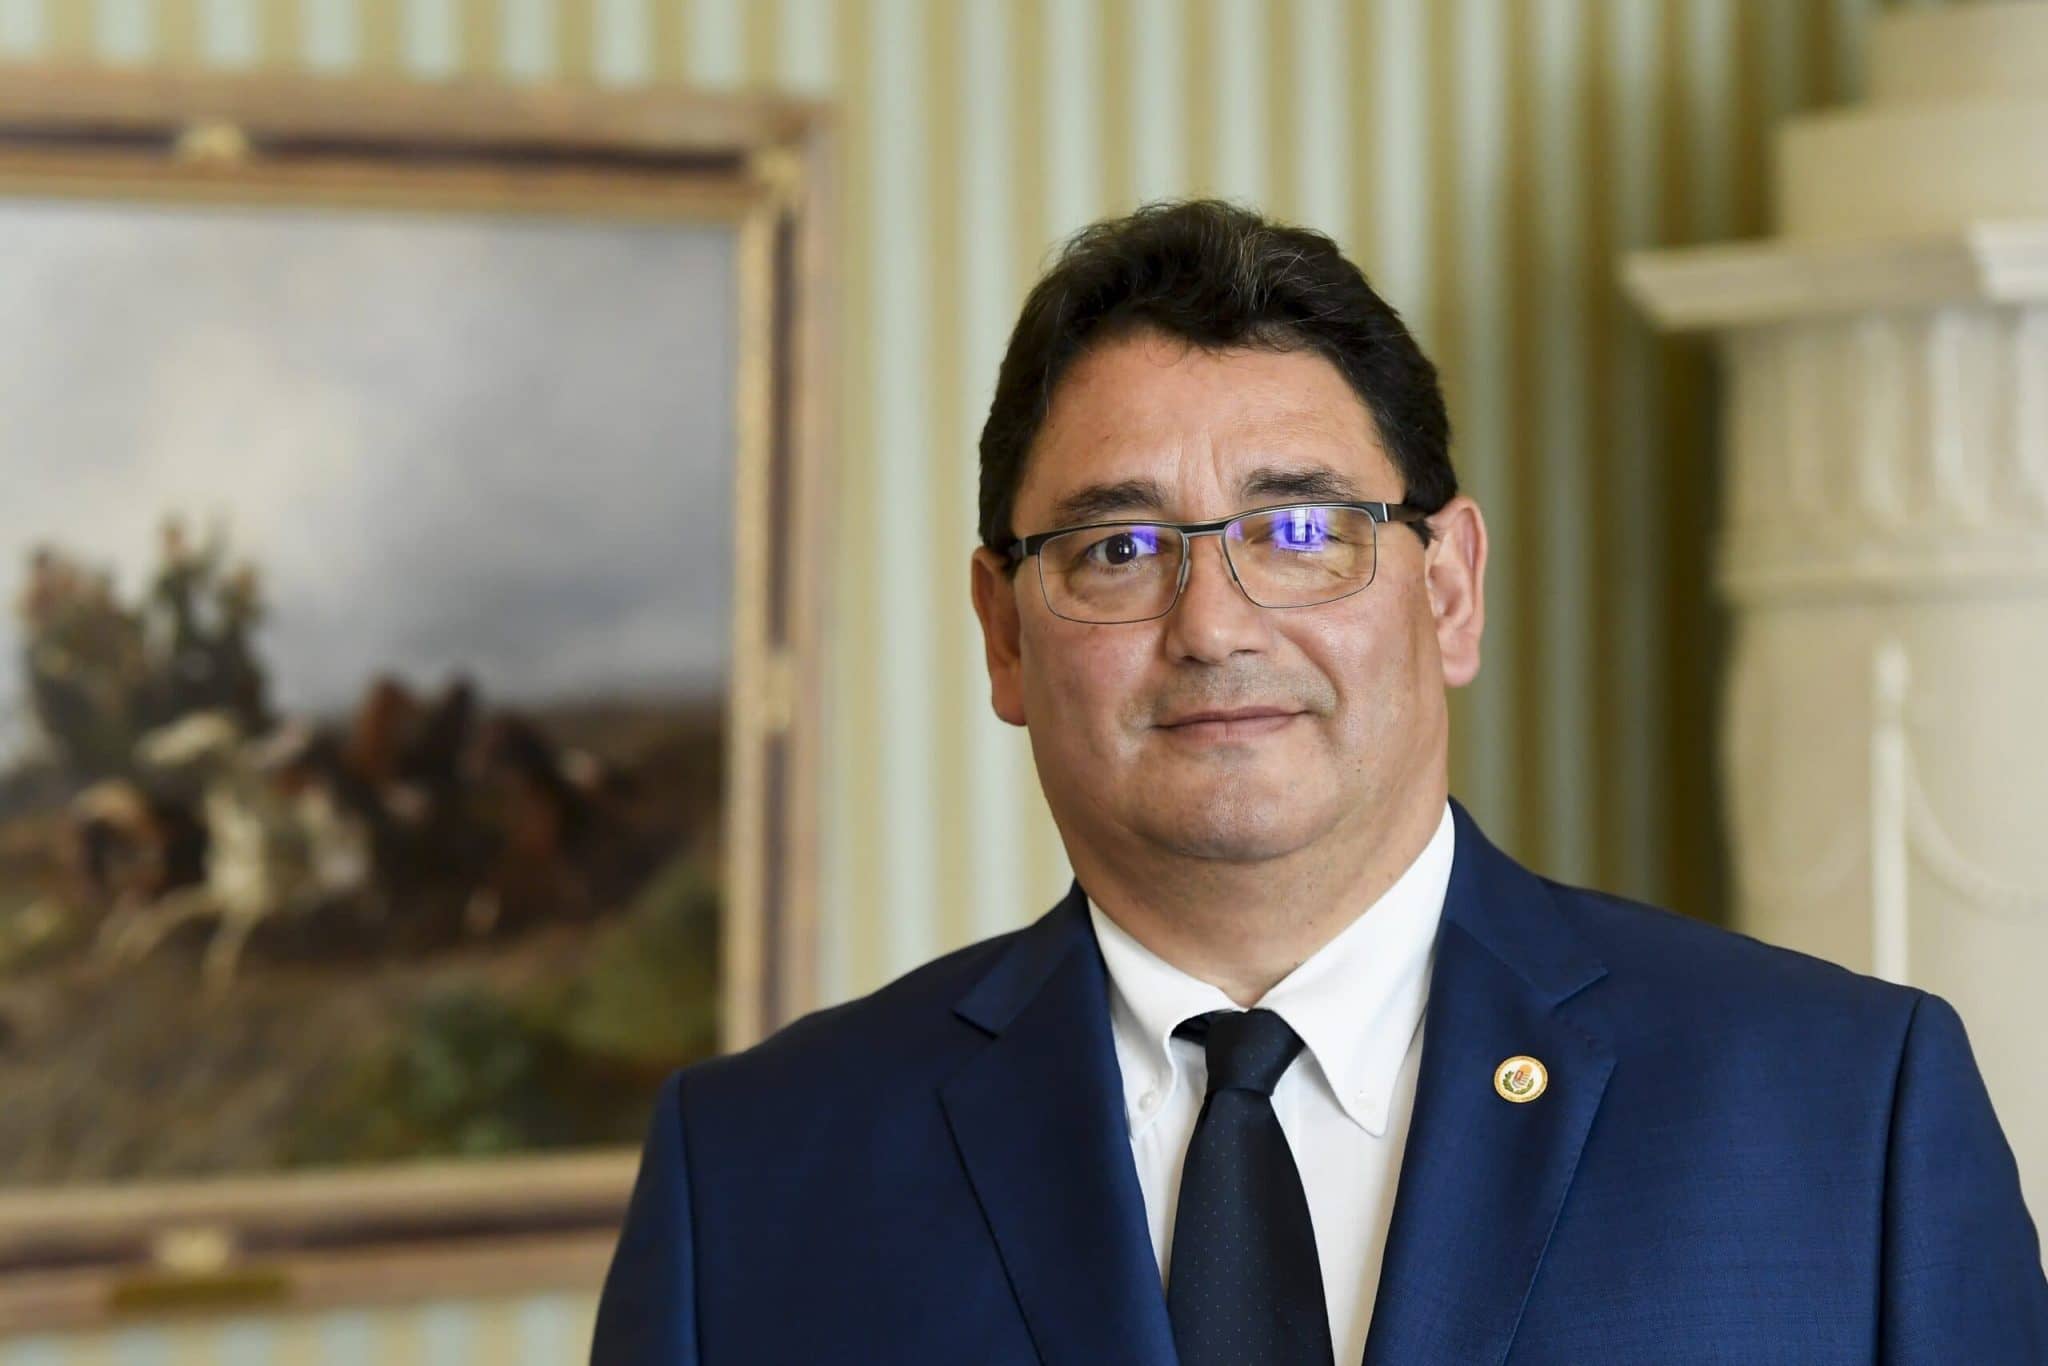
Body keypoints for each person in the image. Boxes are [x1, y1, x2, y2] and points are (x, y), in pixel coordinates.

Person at [591, 200, 2048, 1364]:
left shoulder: (1846, 1114)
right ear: (1004, 634)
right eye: (1119, 549)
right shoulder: (755, 1176)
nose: (1215, 627)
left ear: (1450, 588)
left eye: (1300, 532)